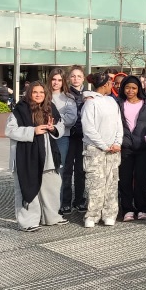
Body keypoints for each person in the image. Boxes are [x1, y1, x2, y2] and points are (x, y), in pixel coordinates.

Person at [6, 81, 68, 231]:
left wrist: (53, 128)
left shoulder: (50, 107)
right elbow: (9, 130)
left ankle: (51, 217)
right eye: (35, 92)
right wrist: (32, 131)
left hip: (49, 155)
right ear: (29, 93)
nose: (38, 95)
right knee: (28, 187)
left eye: (41, 92)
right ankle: (28, 222)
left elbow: (61, 125)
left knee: (52, 186)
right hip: (26, 157)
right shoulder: (20, 109)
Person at [80, 72, 123, 228]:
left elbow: (119, 124)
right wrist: (104, 145)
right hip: (95, 149)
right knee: (95, 183)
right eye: (111, 83)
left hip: (113, 149)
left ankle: (110, 214)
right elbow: (88, 128)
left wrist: (117, 142)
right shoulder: (90, 102)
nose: (112, 86)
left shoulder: (112, 101)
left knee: (112, 182)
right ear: (105, 84)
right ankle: (92, 215)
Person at [118, 75, 146, 222]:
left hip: (143, 147)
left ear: (138, 89)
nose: (130, 91)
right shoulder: (118, 103)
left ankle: (142, 209)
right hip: (125, 147)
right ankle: (127, 209)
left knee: (141, 178)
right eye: (127, 87)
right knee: (125, 179)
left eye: (134, 88)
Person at [48, 68, 78, 210]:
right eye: (54, 79)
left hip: (62, 138)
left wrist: (54, 122)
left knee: (59, 170)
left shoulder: (68, 98)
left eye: (59, 80)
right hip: (43, 137)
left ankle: (57, 207)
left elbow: (71, 119)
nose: (56, 82)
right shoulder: (43, 95)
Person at [61, 66, 87, 215]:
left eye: (79, 76)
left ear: (83, 78)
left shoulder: (89, 95)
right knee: (66, 170)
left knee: (81, 170)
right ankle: (65, 201)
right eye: (73, 76)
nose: (76, 79)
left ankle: (79, 200)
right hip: (68, 136)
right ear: (69, 78)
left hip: (83, 137)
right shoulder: (65, 94)